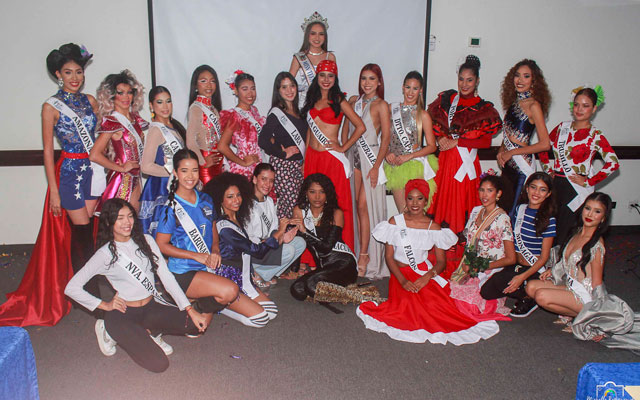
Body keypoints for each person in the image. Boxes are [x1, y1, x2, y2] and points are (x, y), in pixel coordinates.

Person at [0, 43, 99, 326]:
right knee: (81, 234)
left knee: (90, 231)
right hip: (69, 172)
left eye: (78, 71)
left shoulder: (91, 101)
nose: (75, 77)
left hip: (92, 170)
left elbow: (99, 138)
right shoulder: (50, 106)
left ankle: (86, 287)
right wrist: (53, 191)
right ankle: (87, 295)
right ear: (58, 74)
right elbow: (46, 151)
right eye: (68, 72)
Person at [65, 198, 210, 372]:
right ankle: (108, 330)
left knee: (194, 325)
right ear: (109, 222)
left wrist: (189, 309)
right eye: (120, 218)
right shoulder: (104, 254)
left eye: (130, 216)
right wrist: (104, 305)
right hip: (123, 314)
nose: (127, 222)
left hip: (151, 306)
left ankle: (152, 331)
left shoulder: (147, 240)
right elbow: (71, 288)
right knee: (159, 365)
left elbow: (166, 277)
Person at [356, 179, 499, 344]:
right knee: (407, 307)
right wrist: (402, 281)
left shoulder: (435, 228)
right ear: (406, 200)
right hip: (400, 274)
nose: (415, 203)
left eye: (419, 198)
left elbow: (441, 262)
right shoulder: (394, 223)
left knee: (435, 306)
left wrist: (426, 277)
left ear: (426, 201)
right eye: (410, 198)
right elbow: (389, 257)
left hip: (424, 272)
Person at [525, 193, 640, 349]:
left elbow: (597, 284)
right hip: (570, 285)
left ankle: (582, 317)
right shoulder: (577, 231)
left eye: (597, 211)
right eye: (588, 208)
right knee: (531, 286)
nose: (590, 214)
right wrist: (553, 270)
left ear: (604, 218)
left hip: (586, 296)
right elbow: (568, 260)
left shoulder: (596, 245)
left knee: (541, 296)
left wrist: (598, 320)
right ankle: (571, 313)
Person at [153, 150, 244, 326]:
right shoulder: (170, 207)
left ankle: (191, 306)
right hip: (183, 271)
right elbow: (161, 245)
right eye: (184, 170)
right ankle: (178, 299)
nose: (190, 176)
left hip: (206, 267)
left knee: (196, 330)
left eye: (194, 170)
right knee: (230, 291)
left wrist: (215, 250)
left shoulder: (206, 199)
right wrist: (195, 255)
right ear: (175, 173)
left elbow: (212, 228)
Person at [427, 55, 503, 237]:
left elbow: (485, 142)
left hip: (466, 166)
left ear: (477, 81)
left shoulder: (483, 109)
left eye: (469, 80)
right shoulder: (447, 100)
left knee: (462, 207)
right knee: (442, 206)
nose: (464, 84)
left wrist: (457, 141)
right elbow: (430, 122)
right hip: (446, 163)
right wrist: (439, 139)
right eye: (461, 79)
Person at [301, 60, 365, 268]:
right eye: (322, 75)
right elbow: (309, 132)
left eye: (330, 76)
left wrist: (343, 146)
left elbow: (360, 126)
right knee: (311, 208)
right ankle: (311, 258)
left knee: (335, 206)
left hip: (331, 159)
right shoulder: (311, 99)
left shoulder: (339, 99)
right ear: (317, 78)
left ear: (335, 78)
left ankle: (339, 256)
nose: (326, 80)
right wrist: (304, 160)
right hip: (313, 157)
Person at [539, 86, 619, 245]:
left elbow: (613, 163)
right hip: (556, 185)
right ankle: (547, 266)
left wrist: (589, 181)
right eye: (576, 104)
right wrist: (548, 170)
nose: (579, 109)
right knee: (549, 229)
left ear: (594, 109)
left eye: (585, 105)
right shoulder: (562, 127)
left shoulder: (595, 135)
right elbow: (543, 148)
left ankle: (565, 266)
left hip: (575, 190)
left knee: (566, 231)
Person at [205, 172, 284, 326]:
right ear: (220, 200)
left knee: (272, 312)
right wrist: (278, 234)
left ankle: (234, 304)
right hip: (231, 279)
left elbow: (246, 254)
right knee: (260, 319)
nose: (236, 200)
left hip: (245, 278)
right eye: (230, 197)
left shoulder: (238, 219)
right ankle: (220, 306)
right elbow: (256, 251)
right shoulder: (224, 227)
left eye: (238, 195)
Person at [479, 172, 556, 317]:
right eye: (533, 187)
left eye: (542, 189)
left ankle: (529, 296)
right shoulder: (520, 210)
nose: (536, 193)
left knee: (519, 284)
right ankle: (524, 291)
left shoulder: (549, 219)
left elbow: (544, 257)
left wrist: (522, 277)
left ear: (548, 194)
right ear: (527, 188)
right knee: (486, 292)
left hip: (533, 268)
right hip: (514, 265)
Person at [343, 64, 391, 279]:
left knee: (365, 207)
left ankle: (365, 255)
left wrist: (376, 166)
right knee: (355, 208)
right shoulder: (354, 101)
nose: (367, 83)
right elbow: (347, 129)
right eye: (364, 78)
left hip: (371, 160)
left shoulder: (382, 105)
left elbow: (387, 138)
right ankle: (357, 252)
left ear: (379, 82)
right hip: (354, 159)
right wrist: (343, 148)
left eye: (372, 79)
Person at [448, 175, 516, 321]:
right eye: (482, 190)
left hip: (491, 267)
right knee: (449, 297)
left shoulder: (502, 218)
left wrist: (483, 266)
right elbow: (470, 241)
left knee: (470, 306)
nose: (484, 195)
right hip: (473, 265)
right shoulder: (476, 211)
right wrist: (468, 263)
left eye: (490, 191)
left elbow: (511, 258)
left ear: (498, 194)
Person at [289, 173, 358, 300]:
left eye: (322, 192)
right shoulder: (299, 211)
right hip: (324, 267)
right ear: (306, 193)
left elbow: (326, 248)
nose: (317, 197)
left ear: (327, 194)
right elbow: (297, 239)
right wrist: (294, 269)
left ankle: (354, 295)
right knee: (297, 289)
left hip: (343, 264)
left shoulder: (336, 213)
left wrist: (305, 230)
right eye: (312, 192)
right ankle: (333, 291)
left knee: (311, 285)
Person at [497, 59, 551, 218]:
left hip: (522, 166)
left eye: (526, 76)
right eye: (517, 75)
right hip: (508, 164)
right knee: (503, 207)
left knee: (514, 211)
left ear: (534, 81)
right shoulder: (514, 103)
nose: (520, 80)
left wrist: (512, 152)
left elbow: (545, 144)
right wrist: (502, 150)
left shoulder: (534, 106)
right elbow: (508, 132)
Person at [91, 70, 148, 212]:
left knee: (134, 226)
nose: (126, 97)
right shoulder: (113, 122)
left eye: (129, 92)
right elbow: (94, 155)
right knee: (119, 226)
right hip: (121, 182)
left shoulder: (135, 120)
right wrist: (121, 168)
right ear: (111, 96)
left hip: (136, 179)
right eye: (120, 93)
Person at [384, 71, 438, 214]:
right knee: (403, 212)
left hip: (414, 165)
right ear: (403, 87)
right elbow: (382, 137)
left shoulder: (423, 115)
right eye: (408, 87)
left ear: (420, 91)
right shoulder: (391, 109)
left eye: (415, 88)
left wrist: (410, 156)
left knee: (416, 213)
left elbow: (432, 146)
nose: (410, 92)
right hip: (396, 166)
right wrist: (387, 152)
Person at [258, 72, 308, 219]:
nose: (289, 90)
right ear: (278, 91)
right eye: (284, 87)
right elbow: (263, 141)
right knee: (290, 209)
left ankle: (295, 240)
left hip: (298, 167)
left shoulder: (299, 113)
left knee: (299, 207)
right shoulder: (276, 113)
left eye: (292, 86)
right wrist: (282, 153)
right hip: (284, 168)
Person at [246, 164, 306, 286]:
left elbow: (273, 229)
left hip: (268, 243)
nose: (267, 184)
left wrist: (283, 235)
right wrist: (279, 236)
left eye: (271, 181)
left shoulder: (269, 201)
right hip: (254, 250)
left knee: (300, 243)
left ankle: (263, 274)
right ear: (254, 179)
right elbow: (249, 240)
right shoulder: (246, 203)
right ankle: (253, 273)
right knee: (288, 250)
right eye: (263, 179)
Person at [139, 86, 185, 234]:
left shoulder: (174, 127)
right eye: (160, 102)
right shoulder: (156, 130)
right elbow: (145, 167)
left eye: (168, 101)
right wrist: (172, 172)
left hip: (176, 184)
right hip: (162, 186)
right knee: (164, 232)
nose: (165, 107)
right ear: (151, 106)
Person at [219, 71, 265, 180]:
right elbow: (222, 146)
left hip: (258, 167)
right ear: (236, 91)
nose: (250, 93)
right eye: (245, 89)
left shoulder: (254, 111)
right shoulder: (234, 116)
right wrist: (243, 162)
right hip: (243, 171)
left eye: (253, 88)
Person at [289, 11, 336, 108]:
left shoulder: (330, 57)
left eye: (321, 34)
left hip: (325, 103)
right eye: (313, 33)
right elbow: (288, 84)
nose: (317, 38)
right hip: (304, 103)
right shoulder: (299, 58)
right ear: (307, 35)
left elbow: (334, 83)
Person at [186, 65, 224, 185]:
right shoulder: (196, 108)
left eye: (212, 81)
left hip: (218, 162)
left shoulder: (213, 109)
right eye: (203, 81)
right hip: (206, 162)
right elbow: (190, 141)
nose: (209, 85)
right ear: (196, 86)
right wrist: (202, 162)